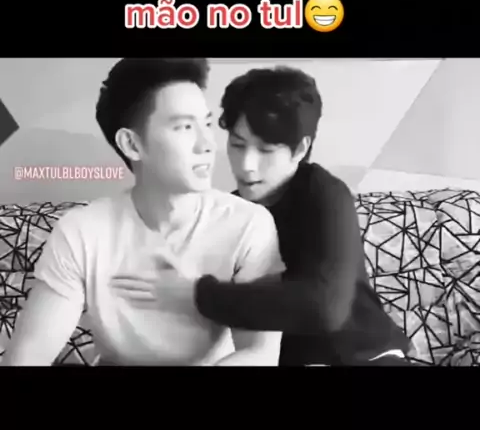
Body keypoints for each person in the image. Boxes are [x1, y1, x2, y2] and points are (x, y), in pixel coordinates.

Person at [2, 58, 283, 366]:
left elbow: (260, 353)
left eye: (206, 124)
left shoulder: (249, 225)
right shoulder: (82, 232)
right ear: (132, 144)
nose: (207, 145)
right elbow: (28, 355)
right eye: (184, 127)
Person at [151, 66, 413, 366]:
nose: (247, 165)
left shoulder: (324, 193)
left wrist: (200, 295)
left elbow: (324, 309)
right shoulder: (229, 212)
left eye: (266, 150)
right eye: (237, 145)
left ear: (300, 149)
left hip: (366, 356)